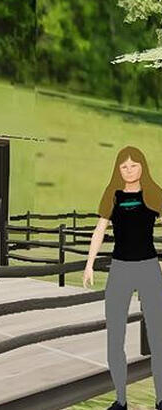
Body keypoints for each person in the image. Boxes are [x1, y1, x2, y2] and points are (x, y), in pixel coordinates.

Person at [83, 146, 162, 410]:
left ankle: (161, 398)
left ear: (143, 166)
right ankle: (121, 400)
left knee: (158, 336)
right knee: (114, 337)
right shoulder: (112, 196)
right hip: (120, 269)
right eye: (124, 167)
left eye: (134, 165)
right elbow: (99, 230)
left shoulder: (154, 193)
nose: (129, 170)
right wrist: (89, 264)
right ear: (118, 170)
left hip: (149, 268)